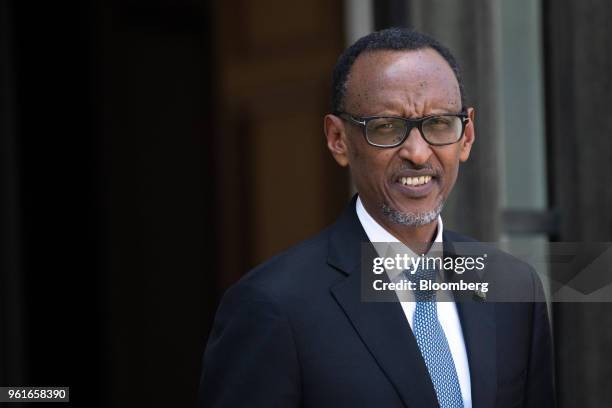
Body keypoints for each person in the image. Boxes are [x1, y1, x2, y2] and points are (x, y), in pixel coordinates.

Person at [198, 28, 554, 408]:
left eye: (438, 124)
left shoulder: (513, 288)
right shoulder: (272, 306)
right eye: (387, 127)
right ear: (338, 139)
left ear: (466, 135)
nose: (418, 153)